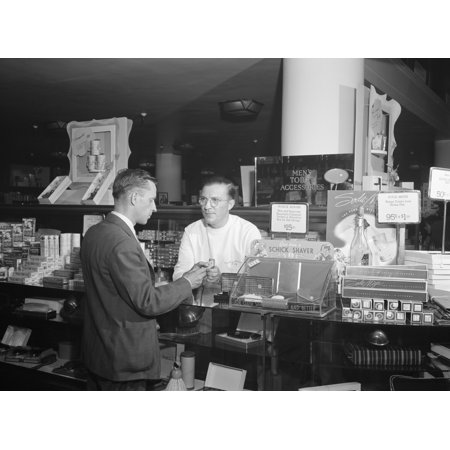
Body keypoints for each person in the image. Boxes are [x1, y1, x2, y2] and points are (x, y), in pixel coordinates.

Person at [80, 168, 207, 390]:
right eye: (151, 200)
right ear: (134, 198)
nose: (155, 207)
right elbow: (148, 302)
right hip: (124, 361)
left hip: (98, 354)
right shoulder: (123, 242)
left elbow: (113, 289)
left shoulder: (95, 232)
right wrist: (188, 281)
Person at [173, 175, 262, 284]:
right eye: (203, 199)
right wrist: (191, 274)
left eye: (215, 200)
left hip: (234, 300)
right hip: (197, 300)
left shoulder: (248, 231)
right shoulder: (191, 231)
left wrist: (221, 279)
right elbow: (177, 277)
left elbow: (258, 278)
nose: (207, 206)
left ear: (230, 204)